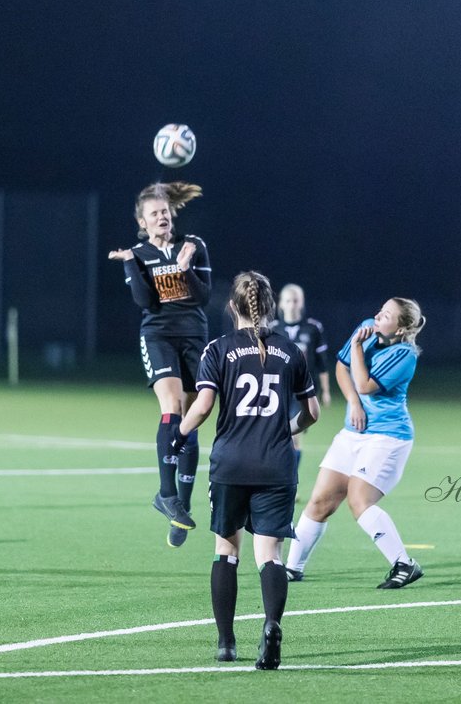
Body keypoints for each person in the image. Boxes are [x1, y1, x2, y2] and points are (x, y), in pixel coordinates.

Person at [176, 271, 319, 669]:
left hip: (231, 464)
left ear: (232, 307)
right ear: (270, 306)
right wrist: (286, 429)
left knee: (226, 550)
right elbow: (312, 413)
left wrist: (179, 434)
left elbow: (202, 407)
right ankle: (271, 625)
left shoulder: (218, 349)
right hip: (277, 464)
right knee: (270, 554)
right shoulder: (292, 351)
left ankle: (226, 642)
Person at [284, 297, 426, 589]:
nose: (377, 315)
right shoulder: (366, 327)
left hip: (388, 437)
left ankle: (404, 563)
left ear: (400, 329)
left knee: (359, 500)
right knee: (320, 501)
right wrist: (352, 403)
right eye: (380, 309)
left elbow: (364, 385)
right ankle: (291, 569)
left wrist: (360, 348)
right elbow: (341, 366)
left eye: (386, 315)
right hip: (353, 433)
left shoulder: (405, 354)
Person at [108, 182, 211, 548]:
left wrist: (185, 268)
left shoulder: (193, 244)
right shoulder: (136, 253)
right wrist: (133, 266)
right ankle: (166, 495)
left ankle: (181, 506)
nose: (162, 217)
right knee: (171, 408)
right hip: (159, 334)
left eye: (165, 211)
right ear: (143, 221)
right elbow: (145, 303)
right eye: (154, 213)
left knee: (194, 414)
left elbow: (204, 296)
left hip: (194, 335)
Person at [274, 284, 331, 476]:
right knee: (277, 434)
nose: (292, 305)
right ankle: (278, 477)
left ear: (302, 302)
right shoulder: (274, 329)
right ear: (281, 304)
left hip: (302, 391)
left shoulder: (313, 328)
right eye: (288, 301)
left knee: (294, 435)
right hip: (278, 390)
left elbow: (322, 363)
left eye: (296, 300)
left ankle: (291, 481)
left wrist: (326, 391)